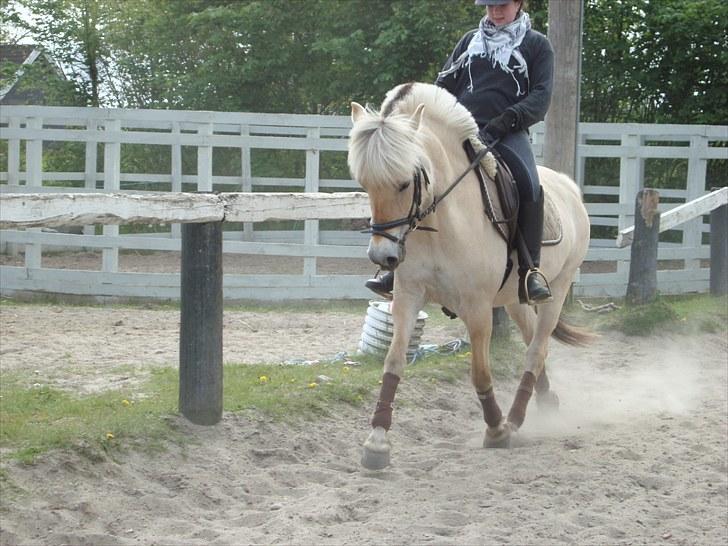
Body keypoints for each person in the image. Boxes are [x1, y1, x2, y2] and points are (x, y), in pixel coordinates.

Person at [366, 0, 554, 305]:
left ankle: (530, 270)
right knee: (417, 182)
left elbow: (541, 97)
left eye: (502, 5)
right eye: (489, 5)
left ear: (519, 3)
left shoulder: (536, 45)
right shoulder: (470, 41)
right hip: (459, 131)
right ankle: (397, 267)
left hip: (507, 132)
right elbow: (443, 86)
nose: (494, 11)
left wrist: (506, 120)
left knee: (529, 184)